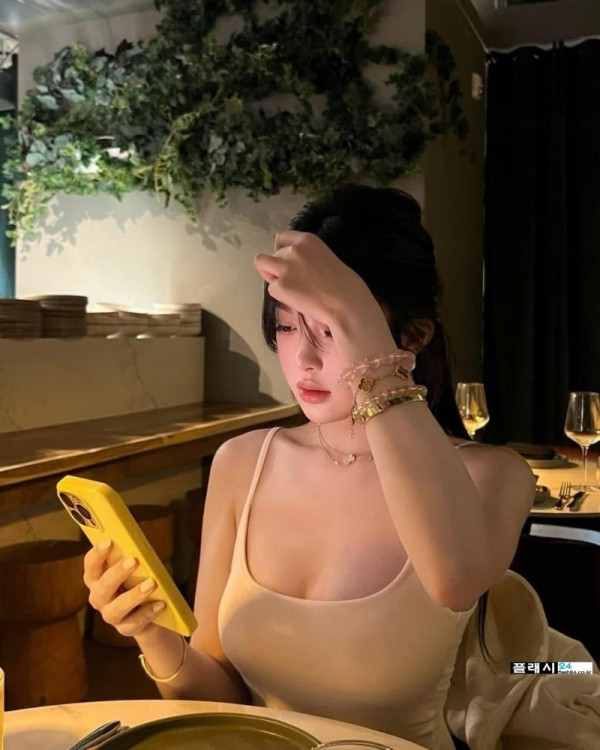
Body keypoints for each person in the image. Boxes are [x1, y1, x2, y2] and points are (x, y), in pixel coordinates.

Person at [83, 185, 536, 750]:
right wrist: (150, 631)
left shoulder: (492, 475)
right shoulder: (242, 462)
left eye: (329, 329)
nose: (303, 358)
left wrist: (364, 336)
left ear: (414, 337)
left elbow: (454, 579)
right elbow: (221, 700)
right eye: (287, 326)